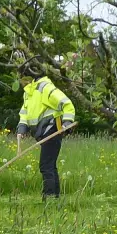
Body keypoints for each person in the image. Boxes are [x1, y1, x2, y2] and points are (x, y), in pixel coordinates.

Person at [15, 70, 76, 198]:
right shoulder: (28, 93)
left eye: (21, 77)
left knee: (46, 165)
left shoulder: (45, 88)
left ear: (29, 76)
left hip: (53, 130)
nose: (20, 81)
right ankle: (54, 197)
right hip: (42, 133)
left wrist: (67, 122)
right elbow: (24, 113)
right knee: (50, 165)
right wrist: (21, 128)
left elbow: (67, 103)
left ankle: (48, 196)